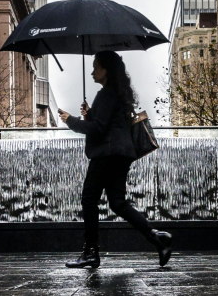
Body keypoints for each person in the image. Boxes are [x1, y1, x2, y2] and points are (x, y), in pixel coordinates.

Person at [59, 51, 172, 269]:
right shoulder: (118, 93)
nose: (92, 72)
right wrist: (89, 114)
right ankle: (157, 237)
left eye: (96, 67)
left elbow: (99, 129)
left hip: (107, 154)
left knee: (89, 198)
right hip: (122, 153)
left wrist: (70, 121)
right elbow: (107, 122)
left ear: (106, 70)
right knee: (118, 203)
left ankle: (91, 252)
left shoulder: (106, 94)